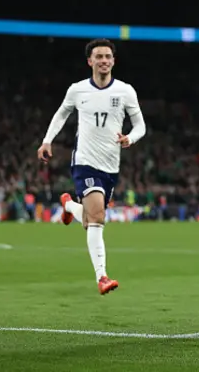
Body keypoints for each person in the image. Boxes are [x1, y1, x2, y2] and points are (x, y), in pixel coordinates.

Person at [37, 39, 146, 295]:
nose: (104, 61)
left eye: (108, 56)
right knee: (97, 217)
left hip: (110, 165)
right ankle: (102, 277)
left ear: (114, 61)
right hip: (84, 162)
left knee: (89, 221)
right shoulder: (77, 90)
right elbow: (62, 113)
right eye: (99, 57)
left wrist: (130, 138)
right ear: (90, 61)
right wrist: (47, 141)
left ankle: (68, 205)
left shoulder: (125, 91)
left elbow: (140, 125)